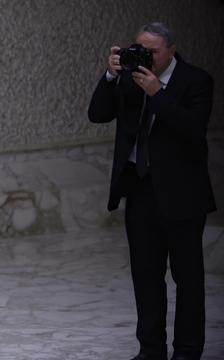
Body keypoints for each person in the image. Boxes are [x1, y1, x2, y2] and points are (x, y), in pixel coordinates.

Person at [88, 22, 216, 360]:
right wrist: (111, 75)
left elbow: (192, 130)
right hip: (141, 189)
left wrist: (158, 94)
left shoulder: (196, 81)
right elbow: (97, 114)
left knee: (188, 279)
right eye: (140, 49)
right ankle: (151, 350)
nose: (145, 56)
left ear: (171, 51)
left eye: (153, 51)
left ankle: (187, 351)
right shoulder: (131, 77)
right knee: (145, 276)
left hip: (182, 195)